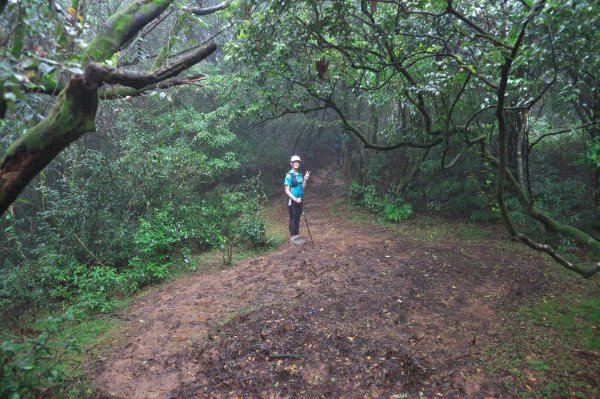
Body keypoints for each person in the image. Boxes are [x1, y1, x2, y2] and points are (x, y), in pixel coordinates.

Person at [284, 155, 310, 245]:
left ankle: (297, 236)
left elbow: (302, 188)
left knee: (298, 218)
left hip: (300, 199)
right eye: (294, 162)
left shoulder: (299, 174)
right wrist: (295, 199)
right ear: (291, 163)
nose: (296, 163)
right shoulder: (289, 175)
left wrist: (305, 180)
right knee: (293, 218)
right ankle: (293, 239)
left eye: (298, 162)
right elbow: (286, 190)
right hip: (293, 199)